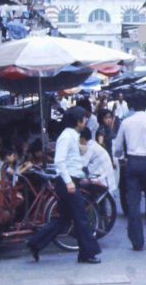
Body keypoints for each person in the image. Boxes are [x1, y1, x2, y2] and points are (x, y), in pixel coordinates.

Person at [27, 107, 102, 263]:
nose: (86, 120)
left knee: (64, 219)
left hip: (70, 181)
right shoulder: (66, 137)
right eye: (83, 118)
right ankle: (87, 253)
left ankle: (35, 243)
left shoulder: (72, 136)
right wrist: (69, 182)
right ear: (77, 121)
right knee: (81, 218)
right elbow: (59, 161)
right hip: (68, 182)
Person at [113, 92, 146, 250]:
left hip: (132, 162)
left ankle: (137, 241)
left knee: (133, 203)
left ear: (131, 105)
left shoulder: (126, 122)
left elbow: (118, 147)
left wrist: (119, 155)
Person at [80, 128, 117, 197]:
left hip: (103, 179)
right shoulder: (93, 144)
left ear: (82, 138)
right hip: (104, 176)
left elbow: (82, 164)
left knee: (80, 182)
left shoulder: (90, 147)